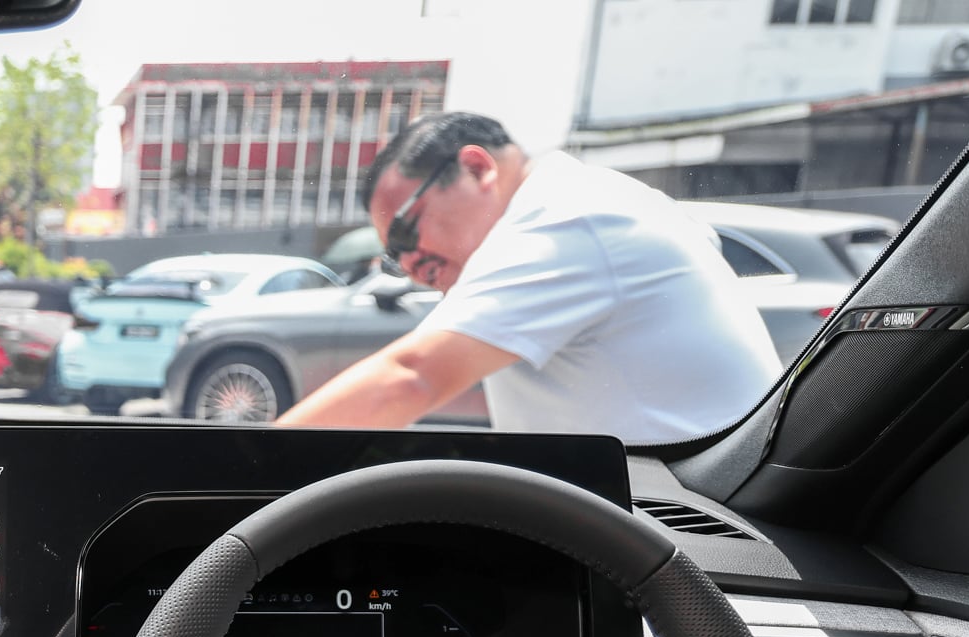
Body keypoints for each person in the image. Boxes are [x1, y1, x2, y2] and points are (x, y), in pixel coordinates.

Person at [278, 112, 782, 444]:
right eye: (393, 255)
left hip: (681, 523)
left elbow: (411, 379)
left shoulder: (564, 217)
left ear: (476, 168)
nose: (410, 265)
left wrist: (248, 469)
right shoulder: (594, 197)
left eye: (408, 231)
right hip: (676, 506)